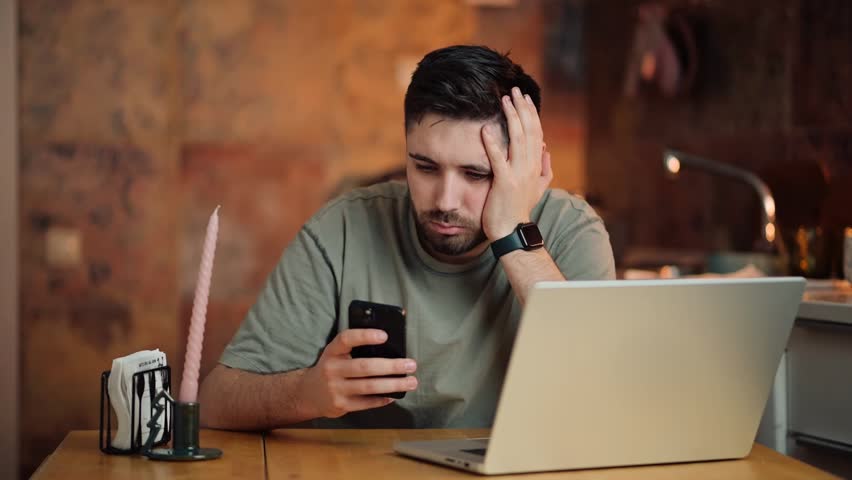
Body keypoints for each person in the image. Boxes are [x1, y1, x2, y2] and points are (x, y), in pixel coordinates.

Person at [199, 45, 615, 430]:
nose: (445, 200)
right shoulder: (343, 227)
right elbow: (216, 402)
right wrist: (305, 394)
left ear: (522, 165)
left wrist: (510, 233)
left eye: (476, 174)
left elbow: (605, 393)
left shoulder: (570, 228)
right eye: (425, 167)